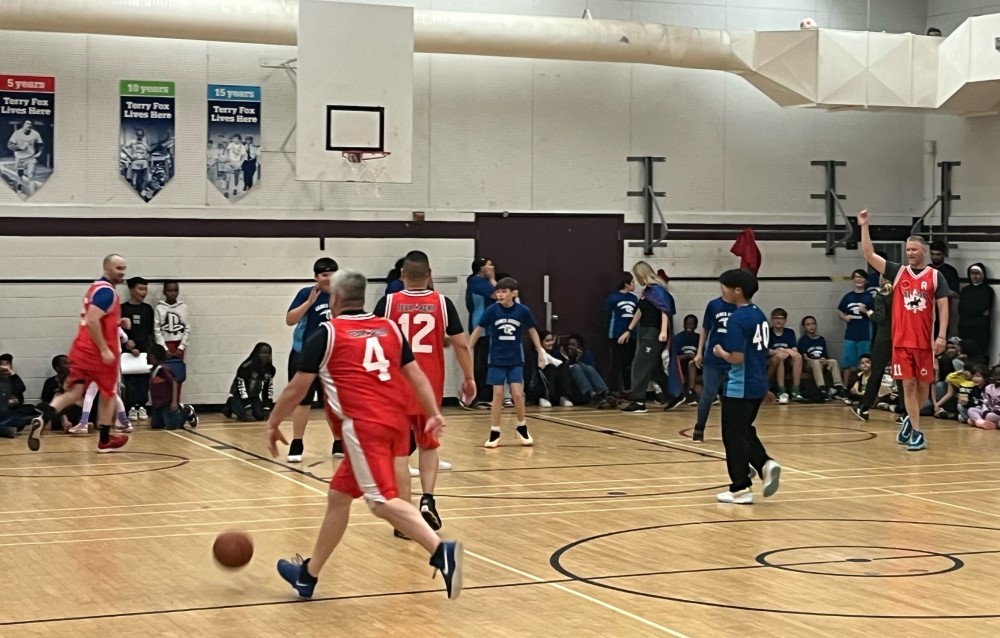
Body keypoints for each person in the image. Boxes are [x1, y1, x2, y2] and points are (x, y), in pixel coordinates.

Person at [267, 270, 463, 601]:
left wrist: (273, 423)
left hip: (363, 427)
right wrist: (433, 413)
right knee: (339, 497)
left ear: (337, 299)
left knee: (381, 503)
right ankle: (308, 576)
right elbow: (414, 375)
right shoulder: (389, 328)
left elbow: (298, 387)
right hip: (395, 424)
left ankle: (441, 551)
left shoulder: (327, 333)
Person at [374, 250, 476, 533]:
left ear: (402, 276)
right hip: (429, 388)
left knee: (399, 454)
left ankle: (405, 519)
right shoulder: (443, 304)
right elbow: (461, 345)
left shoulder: (388, 302)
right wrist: (469, 378)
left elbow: (373, 342)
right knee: (428, 446)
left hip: (396, 388)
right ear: (430, 275)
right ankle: (428, 499)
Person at [859, 209, 949, 451]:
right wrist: (864, 226)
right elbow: (868, 254)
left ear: (924, 251)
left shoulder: (935, 276)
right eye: (907, 250)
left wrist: (941, 336)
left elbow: (944, 305)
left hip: (924, 342)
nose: (910, 253)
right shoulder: (898, 272)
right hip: (900, 341)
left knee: (922, 387)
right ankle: (918, 433)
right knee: (907, 385)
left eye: (913, 250)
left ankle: (911, 419)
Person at [27, 255, 131, 453]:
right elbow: (93, 320)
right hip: (98, 354)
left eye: (124, 268)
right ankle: (105, 440)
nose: (122, 272)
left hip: (81, 349)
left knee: (74, 392)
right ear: (107, 268)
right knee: (108, 395)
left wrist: (118, 322)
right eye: (119, 268)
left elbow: (97, 318)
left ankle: (43, 418)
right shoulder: (107, 293)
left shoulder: (95, 288)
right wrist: (104, 349)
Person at [711, 268, 781, 504]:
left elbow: (737, 357)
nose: (722, 292)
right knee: (743, 430)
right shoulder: (759, 314)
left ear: (737, 290)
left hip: (739, 385)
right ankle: (763, 464)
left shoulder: (737, 318)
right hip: (757, 381)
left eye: (725, 287)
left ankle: (740, 487)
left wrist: (721, 352)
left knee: (732, 435)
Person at [469, 277, 546, 448]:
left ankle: (521, 426)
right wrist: (469, 348)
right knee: (497, 395)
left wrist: (540, 350)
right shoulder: (492, 310)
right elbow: (478, 329)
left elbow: (532, 330)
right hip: (496, 358)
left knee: (517, 394)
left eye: (504, 291)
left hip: (515, 359)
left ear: (514, 293)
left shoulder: (522, 311)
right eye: (498, 291)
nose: (500, 294)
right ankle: (495, 431)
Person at [285, 257, 338, 462]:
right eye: (324, 275)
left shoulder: (341, 295)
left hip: (331, 356)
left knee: (333, 402)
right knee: (303, 401)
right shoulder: (306, 293)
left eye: (332, 274)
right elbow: (290, 320)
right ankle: (297, 443)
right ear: (316, 277)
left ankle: (338, 441)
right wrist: (308, 304)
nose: (329, 278)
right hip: (305, 355)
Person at [621, 262, 683, 412]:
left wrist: (663, 331)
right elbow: (640, 311)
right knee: (654, 368)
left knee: (639, 365)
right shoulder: (646, 292)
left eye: (637, 276)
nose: (637, 280)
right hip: (644, 331)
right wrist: (629, 329)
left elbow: (664, 311)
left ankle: (638, 401)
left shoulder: (657, 290)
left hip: (654, 332)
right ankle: (674, 394)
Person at [852, 274, 905, 422]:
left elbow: (879, 317)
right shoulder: (901, 293)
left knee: (876, 372)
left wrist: (867, 311)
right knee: (901, 374)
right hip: (901, 337)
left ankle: (865, 407)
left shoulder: (882, 294)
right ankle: (904, 412)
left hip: (884, 337)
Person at [691, 293, 736, 443]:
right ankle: (699, 428)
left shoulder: (742, 306)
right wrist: (699, 352)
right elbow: (705, 329)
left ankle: (730, 431)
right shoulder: (713, 305)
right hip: (713, 357)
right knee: (708, 394)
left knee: (731, 397)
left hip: (732, 357)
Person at [120, 276, 154, 421]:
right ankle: (131, 407)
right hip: (128, 351)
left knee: (144, 380)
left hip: (144, 351)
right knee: (130, 380)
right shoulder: (123, 308)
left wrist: (148, 349)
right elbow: (117, 329)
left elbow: (150, 331)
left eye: (145, 289)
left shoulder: (147, 309)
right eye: (140, 289)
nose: (143, 292)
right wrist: (127, 343)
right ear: (132, 290)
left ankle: (142, 406)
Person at [465, 257, 497, 408]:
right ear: (482, 269)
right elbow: (499, 295)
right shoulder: (477, 282)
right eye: (489, 265)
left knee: (486, 362)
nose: (492, 267)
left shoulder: (478, 282)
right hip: (481, 328)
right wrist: (492, 279)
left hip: (489, 327)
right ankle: (477, 397)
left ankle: (485, 396)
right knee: (481, 362)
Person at [837, 269, 874, 387]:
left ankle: (864, 386)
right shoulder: (848, 297)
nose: (858, 279)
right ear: (853, 279)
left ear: (866, 280)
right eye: (856, 277)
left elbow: (875, 314)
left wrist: (865, 311)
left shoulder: (869, 297)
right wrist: (845, 317)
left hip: (865, 335)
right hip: (850, 335)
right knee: (847, 363)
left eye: (861, 277)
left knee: (865, 363)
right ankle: (844, 387)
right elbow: (839, 311)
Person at [223, 343, 275, 422]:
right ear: (257, 353)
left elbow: (268, 389)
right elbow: (241, 387)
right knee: (245, 416)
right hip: (238, 396)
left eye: (268, 353)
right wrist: (247, 406)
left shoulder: (270, 369)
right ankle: (230, 404)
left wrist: (267, 407)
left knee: (260, 416)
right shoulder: (245, 367)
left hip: (254, 397)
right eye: (262, 353)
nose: (265, 356)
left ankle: (250, 408)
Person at [604, 272, 638, 395]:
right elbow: (607, 316)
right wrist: (608, 334)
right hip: (616, 334)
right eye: (633, 282)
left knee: (628, 363)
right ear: (626, 284)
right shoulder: (613, 298)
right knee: (616, 362)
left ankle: (628, 388)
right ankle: (613, 389)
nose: (635, 284)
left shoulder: (634, 298)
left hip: (631, 335)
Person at [959, 263, 993, 359]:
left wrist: (971, 311)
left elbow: (983, 307)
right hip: (965, 326)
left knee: (979, 353)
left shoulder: (987, 290)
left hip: (980, 328)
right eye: (972, 273)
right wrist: (975, 311)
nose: (974, 276)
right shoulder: (965, 290)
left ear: (982, 274)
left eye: (977, 273)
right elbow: (961, 308)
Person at [7, 119, 44, 195]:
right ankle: (19, 190)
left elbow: (41, 144)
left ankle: (33, 193)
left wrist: (39, 152)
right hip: (20, 158)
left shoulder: (35, 134)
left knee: (31, 175)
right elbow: (9, 145)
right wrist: (19, 147)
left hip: (30, 158)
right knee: (20, 176)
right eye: (27, 124)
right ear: (23, 125)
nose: (28, 125)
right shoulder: (17, 134)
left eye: (30, 124)